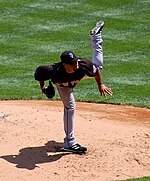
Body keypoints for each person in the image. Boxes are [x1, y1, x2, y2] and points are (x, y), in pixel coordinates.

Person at [34, 20, 113, 154]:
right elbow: (39, 73)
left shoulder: (83, 65)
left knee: (98, 66)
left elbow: (95, 71)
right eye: (72, 64)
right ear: (64, 65)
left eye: (75, 62)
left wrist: (100, 84)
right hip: (63, 86)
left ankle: (96, 37)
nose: (75, 65)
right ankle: (70, 143)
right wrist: (43, 87)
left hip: (77, 78)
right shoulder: (54, 71)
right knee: (70, 107)